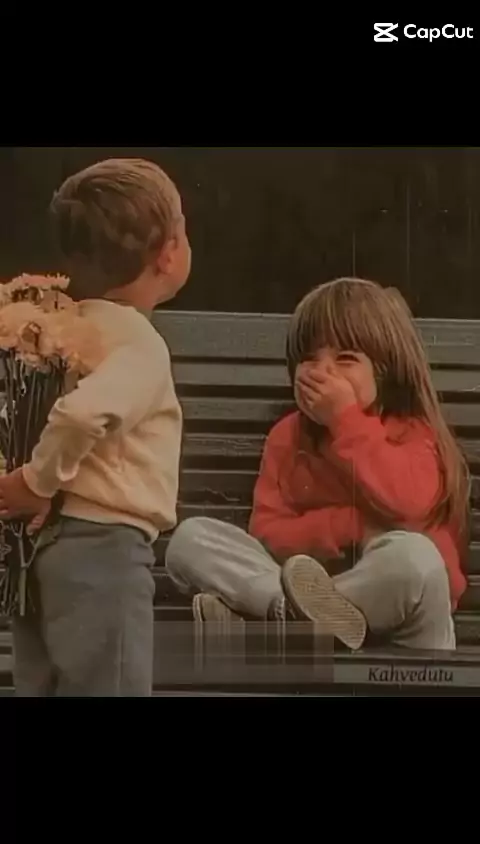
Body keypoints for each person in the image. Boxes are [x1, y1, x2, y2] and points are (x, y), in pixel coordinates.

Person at [166, 278, 470, 651]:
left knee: (416, 558)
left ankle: (278, 618)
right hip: (305, 598)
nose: (323, 371)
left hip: (406, 632)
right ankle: (291, 612)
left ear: (384, 371)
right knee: (191, 540)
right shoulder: (287, 436)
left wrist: (346, 420)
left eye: (346, 359)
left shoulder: (413, 431)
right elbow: (268, 534)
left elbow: (408, 504)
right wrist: (348, 526)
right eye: (309, 358)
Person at [0, 158, 191, 695]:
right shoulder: (140, 344)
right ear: (168, 253)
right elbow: (82, 414)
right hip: (104, 550)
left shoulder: (63, 327)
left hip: (41, 552)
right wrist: (37, 482)